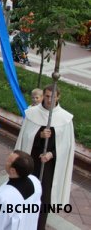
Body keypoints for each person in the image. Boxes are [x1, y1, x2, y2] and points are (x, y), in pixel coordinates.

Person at [15, 85, 75, 230]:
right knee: (28, 193)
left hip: (49, 166)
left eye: (53, 97)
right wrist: (39, 136)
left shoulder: (65, 118)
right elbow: (25, 138)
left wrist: (51, 154)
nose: (50, 100)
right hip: (32, 162)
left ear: (58, 97)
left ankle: (39, 226)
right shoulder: (32, 114)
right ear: (43, 96)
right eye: (47, 96)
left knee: (44, 199)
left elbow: (66, 146)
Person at [0, 150, 42, 230]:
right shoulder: (35, 182)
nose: (5, 161)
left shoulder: (2, 198)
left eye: (8, 161)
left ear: (13, 170)